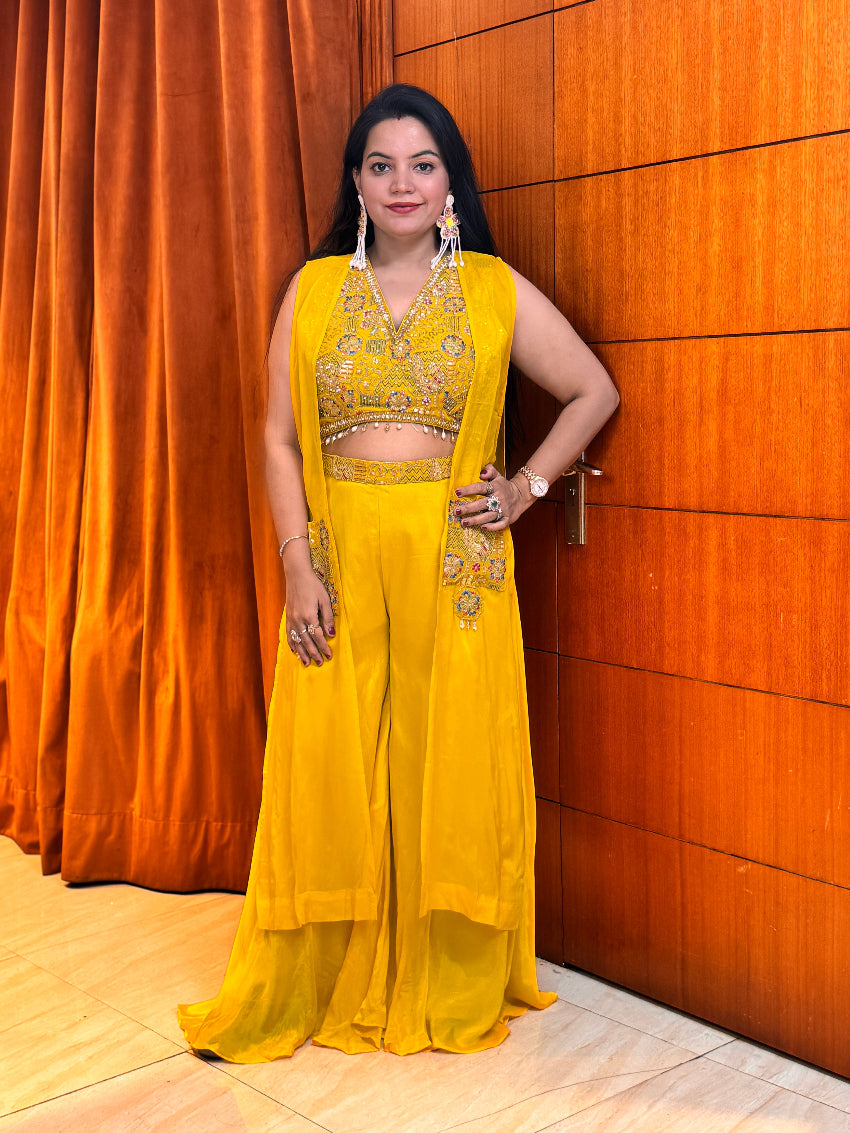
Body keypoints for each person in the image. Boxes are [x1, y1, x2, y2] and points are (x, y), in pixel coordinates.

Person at [178, 84, 618, 1061]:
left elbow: (593, 388)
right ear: (357, 182)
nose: (403, 183)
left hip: (454, 558)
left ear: (451, 182)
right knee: (329, 762)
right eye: (382, 165)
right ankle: (322, 973)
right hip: (337, 553)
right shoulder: (313, 290)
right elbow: (278, 437)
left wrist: (526, 488)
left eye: (424, 164)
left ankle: (442, 975)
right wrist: (296, 563)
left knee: (447, 760)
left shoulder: (492, 289)